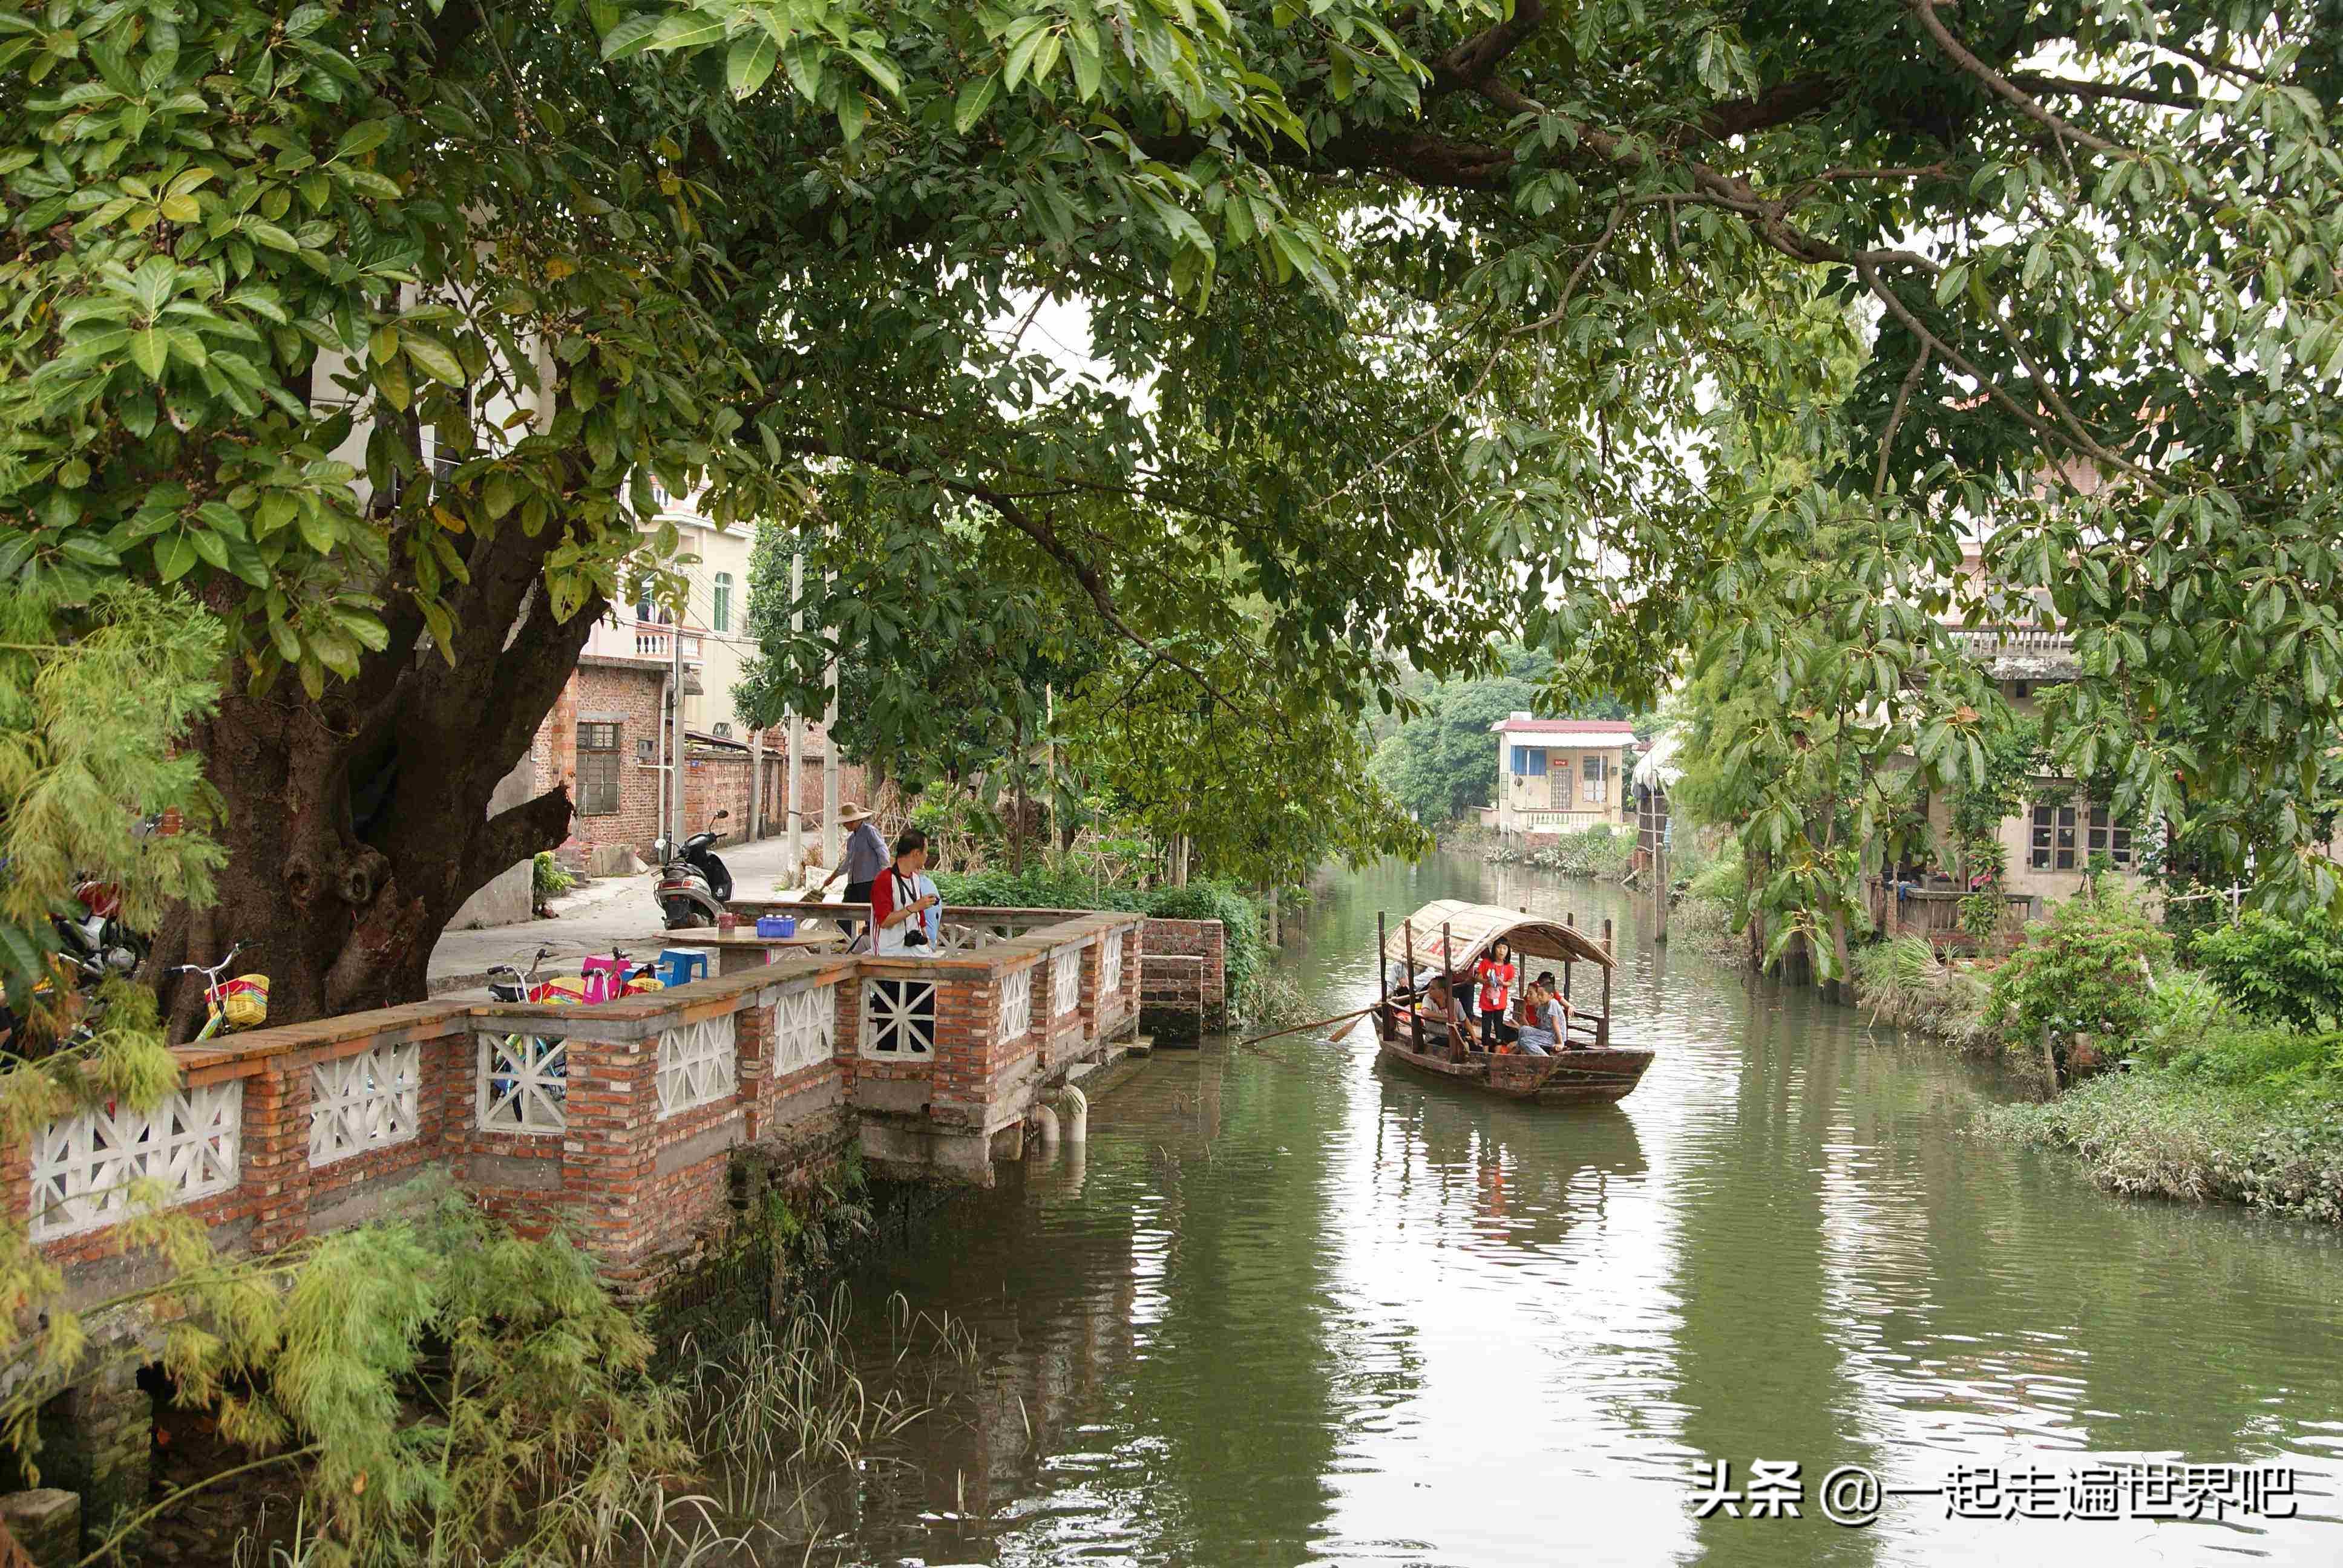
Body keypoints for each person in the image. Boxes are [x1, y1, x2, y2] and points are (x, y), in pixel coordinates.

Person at [867, 828, 943, 956]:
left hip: (915, 949)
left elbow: (921, 915)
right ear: (916, 854)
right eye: (926, 851)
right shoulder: (884, 880)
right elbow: (884, 921)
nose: (927, 855)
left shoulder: (915, 879)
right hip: (889, 952)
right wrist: (914, 907)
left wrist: (926, 939)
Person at [818, 803, 888, 936]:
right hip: (853, 884)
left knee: (870, 915)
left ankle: (872, 943)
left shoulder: (870, 832)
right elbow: (847, 863)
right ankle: (843, 940)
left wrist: (883, 876)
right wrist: (833, 877)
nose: (844, 826)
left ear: (854, 821)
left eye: (846, 823)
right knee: (845, 913)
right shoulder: (851, 839)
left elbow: (883, 854)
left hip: (870, 883)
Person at [1473, 939, 1517, 1051]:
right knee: (1486, 1026)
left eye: (1504, 948)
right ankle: (1485, 1052)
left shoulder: (1509, 967)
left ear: (1508, 951)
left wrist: (1503, 983)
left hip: (1500, 1003)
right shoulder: (1486, 963)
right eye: (1499, 947)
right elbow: (1478, 977)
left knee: (1499, 1027)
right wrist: (1486, 981)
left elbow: (1510, 982)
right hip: (1486, 1001)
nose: (1501, 951)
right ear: (1494, 949)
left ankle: (1497, 1053)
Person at [1511, 979, 1565, 1056]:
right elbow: (1540, 1024)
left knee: (1525, 1041)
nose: (1539, 997)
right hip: (1545, 1034)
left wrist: (1560, 1043)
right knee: (1524, 1029)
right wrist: (1532, 1030)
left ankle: (1546, 1059)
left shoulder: (1553, 1003)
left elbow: (1555, 1024)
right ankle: (1518, 1050)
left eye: (1542, 995)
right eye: (1538, 995)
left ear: (1551, 996)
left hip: (1554, 1036)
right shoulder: (1542, 1005)